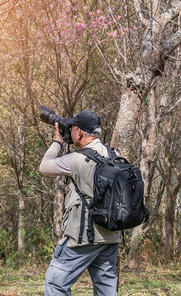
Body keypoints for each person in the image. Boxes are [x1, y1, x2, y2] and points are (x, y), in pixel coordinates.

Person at [39, 109, 121, 296]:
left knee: (56, 284)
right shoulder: (115, 153)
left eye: (73, 128)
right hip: (110, 235)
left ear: (80, 132)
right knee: (106, 290)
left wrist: (57, 141)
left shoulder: (76, 159)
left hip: (83, 237)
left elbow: (44, 166)